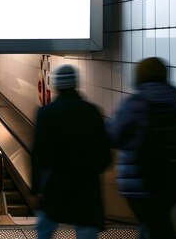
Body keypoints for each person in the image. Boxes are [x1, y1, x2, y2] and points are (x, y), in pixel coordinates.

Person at [107, 57, 176, 239]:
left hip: (141, 183)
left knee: (157, 227)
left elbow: (114, 134)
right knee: (156, 223)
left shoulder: (136, 102)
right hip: (173, 181)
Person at [32, 64, 111, 239]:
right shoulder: (92, 112)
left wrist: (36, 188)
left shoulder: (46, 113)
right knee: (86, 232)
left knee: (44, 230)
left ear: (57, 86)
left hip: (55, 185)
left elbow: (38, 155)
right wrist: (89, 171)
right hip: (86, 188)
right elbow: (105, 156)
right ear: (75, 84)